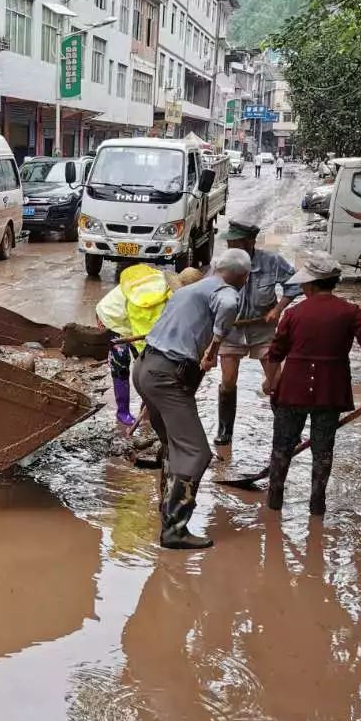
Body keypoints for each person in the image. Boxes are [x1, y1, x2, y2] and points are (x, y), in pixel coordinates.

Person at [266, 250, 361, 516]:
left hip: (292, 390)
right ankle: (317, 505)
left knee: (282, 447)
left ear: (310, 284)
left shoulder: (294, 314)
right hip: (330, 391)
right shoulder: (350, 311)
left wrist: (271, 382)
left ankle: (274, 503)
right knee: (323, 450)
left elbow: (275, 353)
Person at [132, 248, 252, 550]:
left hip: (145, 369)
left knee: (174, 446)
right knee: (197, 452)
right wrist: (215, 345)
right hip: (167, 377)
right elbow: (228, 303)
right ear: (243, 277)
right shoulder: (226, 292)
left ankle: (166, 509)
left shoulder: (189, 290)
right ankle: (174, 529)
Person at [214, 220, 295, 447]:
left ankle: (283, 429)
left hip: (262, 329)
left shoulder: (272, 261)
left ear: (250, 242)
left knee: (276, 381)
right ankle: (225, 430)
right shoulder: (222, 263)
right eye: (229, 242)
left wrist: (278, 309)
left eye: (235, 242)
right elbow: (209, 294)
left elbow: (295, 284)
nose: (230, 245)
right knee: (228, 380)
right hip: (231, 330)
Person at [96, 264, 202, 427]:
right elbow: (145, 340)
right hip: (113, 318)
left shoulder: (169, 292)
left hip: (133, 317)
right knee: (122, 363)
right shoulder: (151, 299)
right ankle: (122, 412)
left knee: (146, 366)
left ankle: (146, 408)